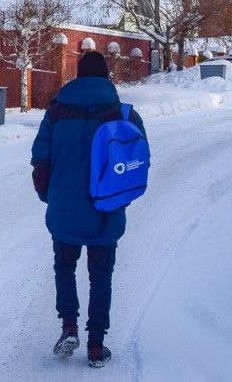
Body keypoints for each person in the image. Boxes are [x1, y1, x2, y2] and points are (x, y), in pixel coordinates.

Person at [30, 51, 146, 368]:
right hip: (105, 210)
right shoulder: (123, 115)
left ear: (78, 76)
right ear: (106, 77)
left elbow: (40, 161)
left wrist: (49, 196)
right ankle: (96, 346)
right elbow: (138, 166)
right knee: (101, 277)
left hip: (64, 207)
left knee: (64, 267)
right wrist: (120, 198)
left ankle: (69, 326)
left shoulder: (56, 112)